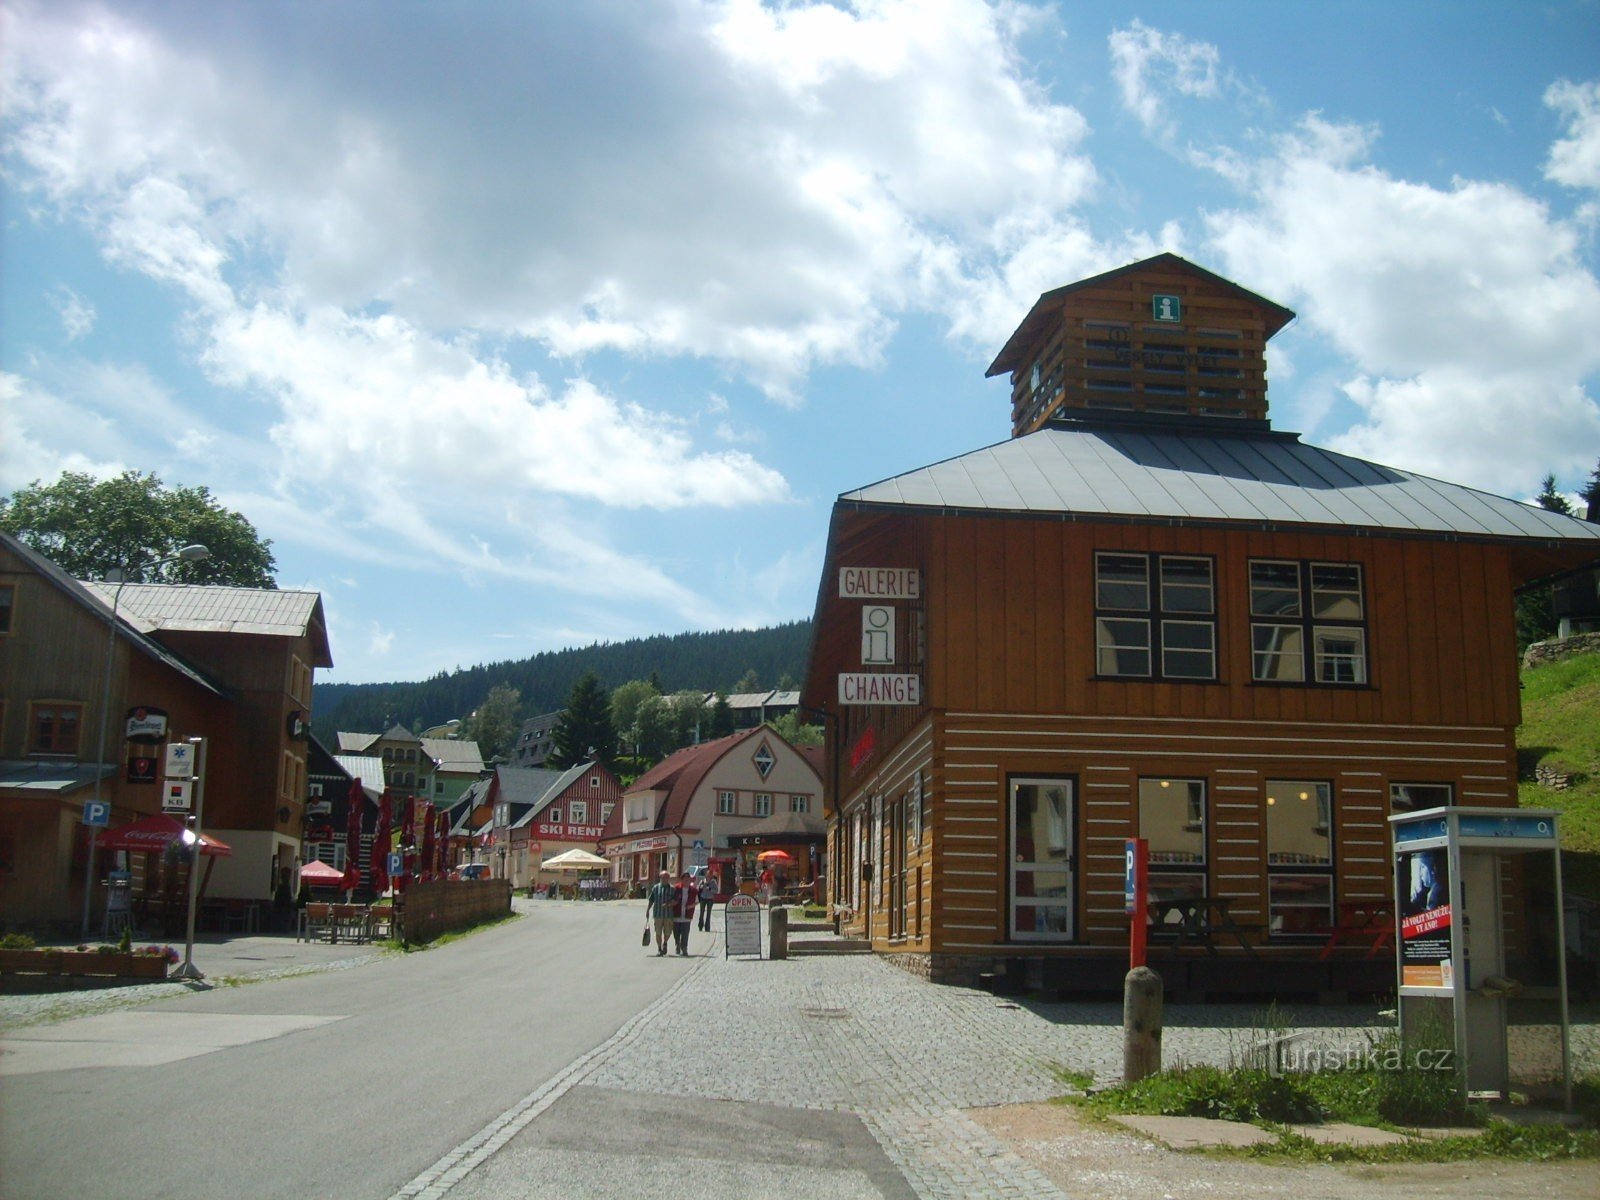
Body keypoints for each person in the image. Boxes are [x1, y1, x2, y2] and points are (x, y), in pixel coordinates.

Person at [645, 870, 675, 955]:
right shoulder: (655, 888)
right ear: (660, 878)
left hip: (668, 915)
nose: (664, 879)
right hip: (658, 914)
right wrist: (648, 910)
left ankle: (665, 943)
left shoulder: (672, 889)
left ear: (668, 878)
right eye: (662, 877)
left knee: (668, 932)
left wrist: (669, 904)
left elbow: (676, 901)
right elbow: (651, 900)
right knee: (658, 932)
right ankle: (659, 948)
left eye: (666, 877)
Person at [671, 871, 698, 955]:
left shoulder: (693, 890)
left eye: (688, 879)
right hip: (677, 914)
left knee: (685, 933)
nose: (687, 881)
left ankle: (684, 947)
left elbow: (697, 901)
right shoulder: (676, 888)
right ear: (681, 880)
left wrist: (691, 906)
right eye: (685, 879)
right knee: (676, 932)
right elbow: (672, 899)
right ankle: (677, 945)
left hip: (687, 915)